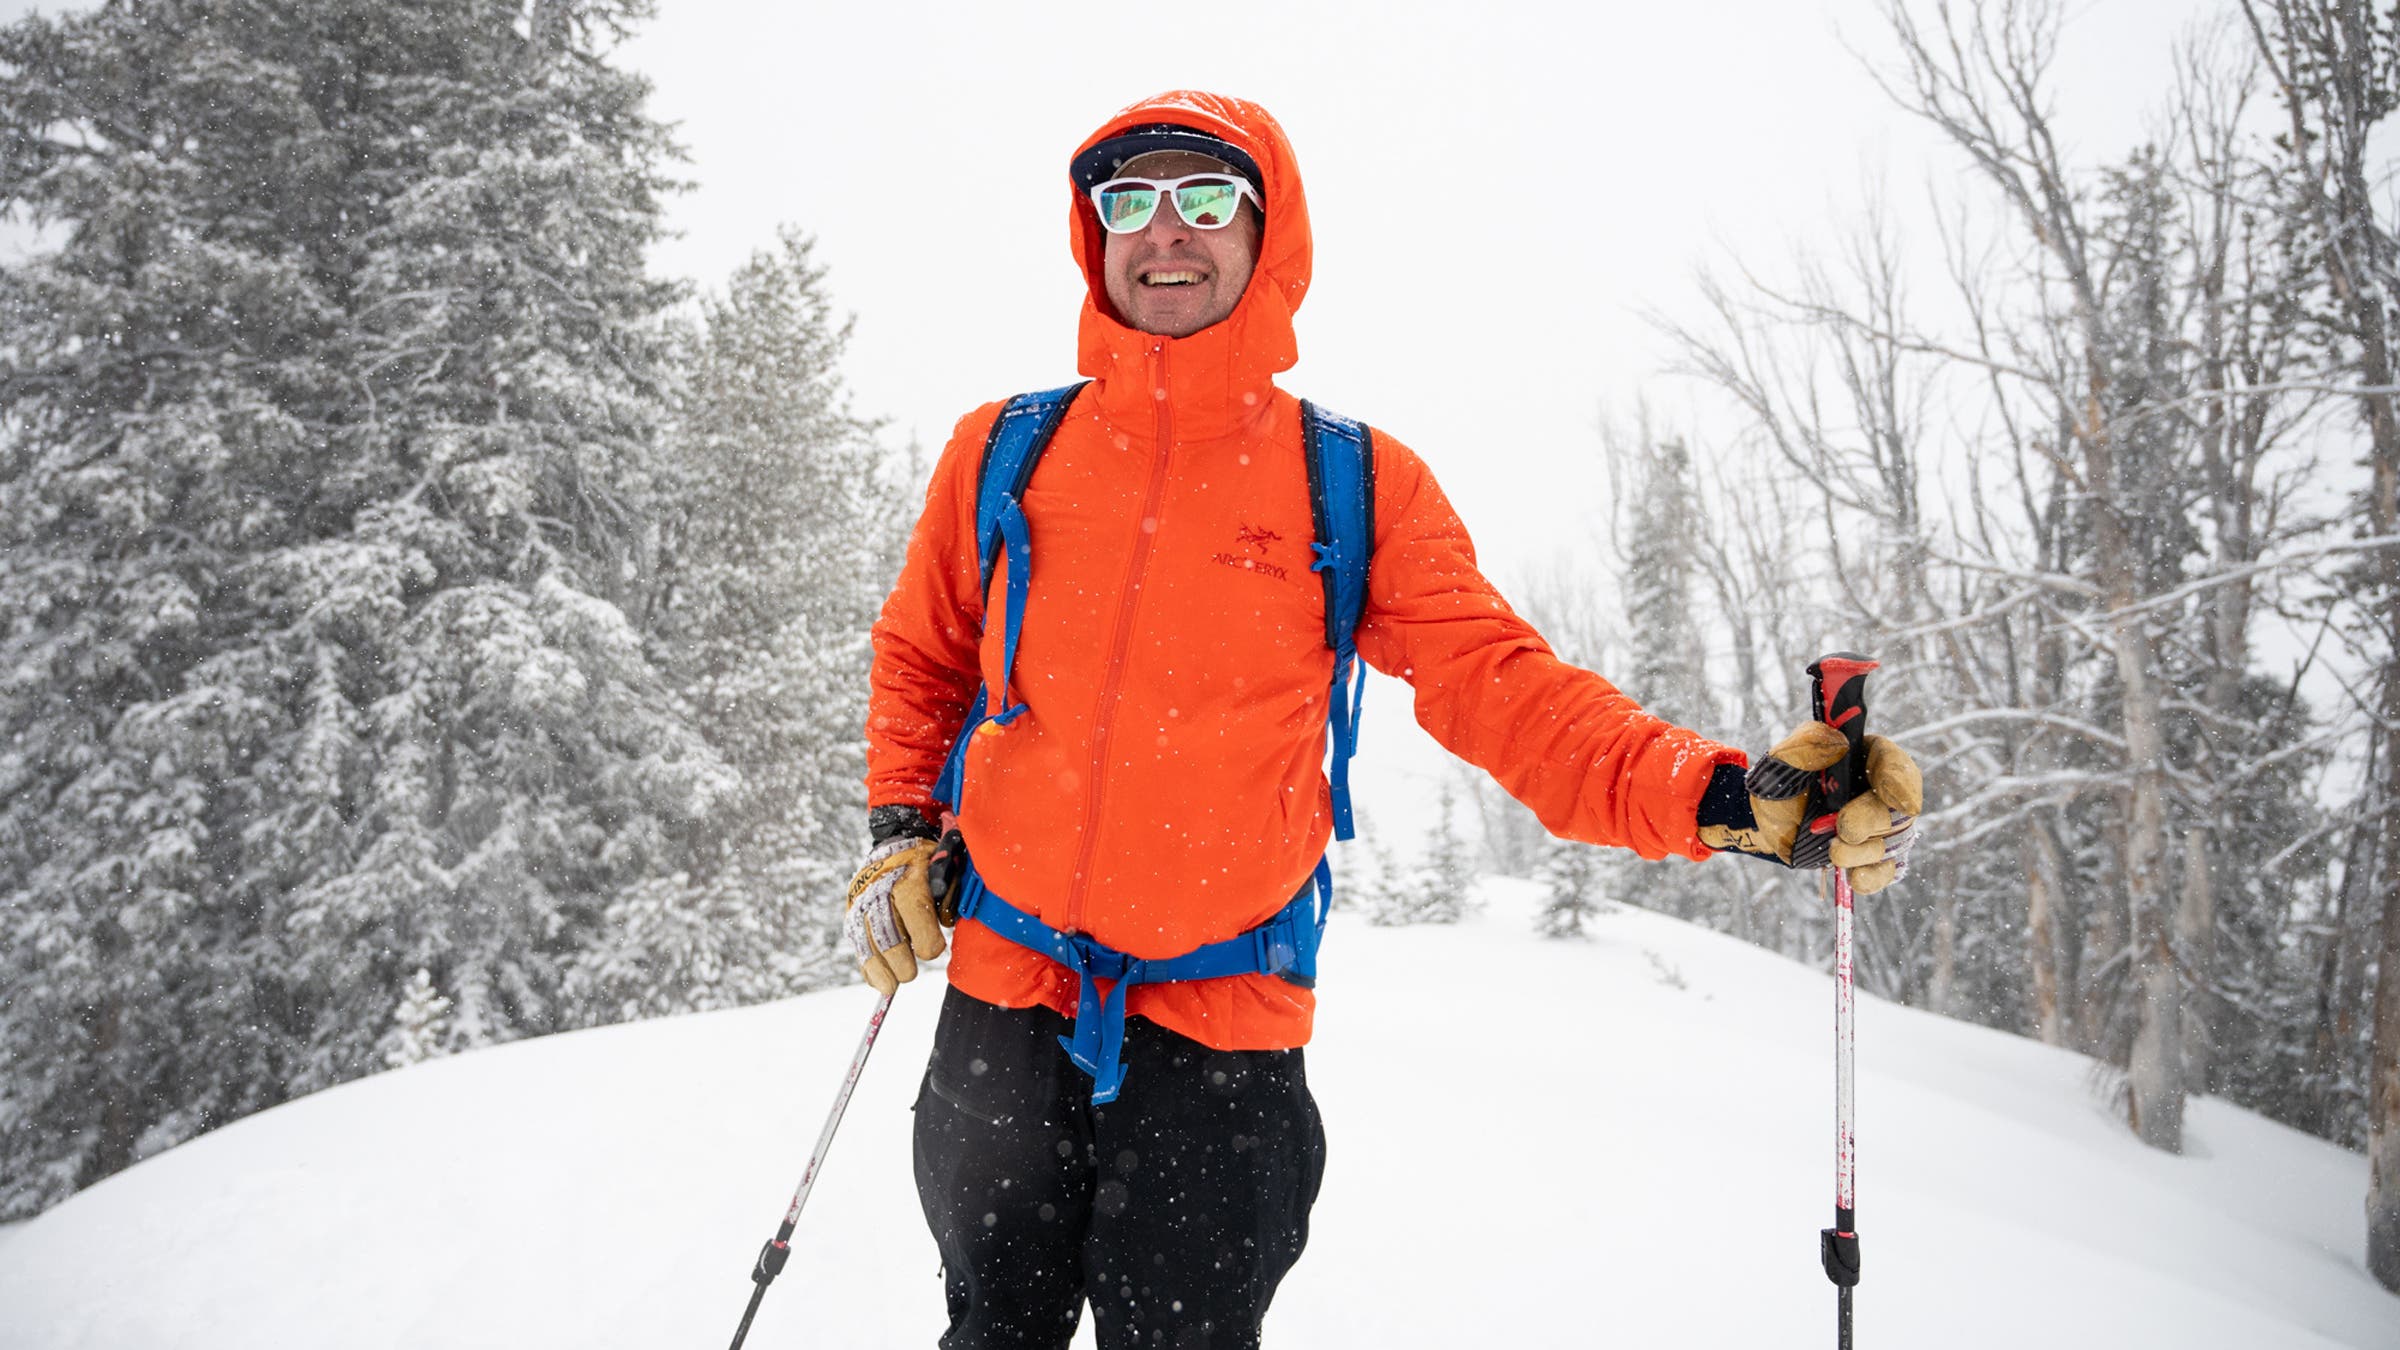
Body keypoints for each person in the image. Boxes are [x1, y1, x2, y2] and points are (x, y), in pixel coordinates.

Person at [848, 91, 1921, 1350]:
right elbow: (922, 659)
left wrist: (1726, 798)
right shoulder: (1006, 452)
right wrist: (901, 824)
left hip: (1221, 1029)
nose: (1165, 233)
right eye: (1128, 203)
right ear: (1095, 238)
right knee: (988, 1330)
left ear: (1266, 233)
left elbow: (1503, 688)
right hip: (1003, 1010)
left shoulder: (1348, 480)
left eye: (1204, 201)